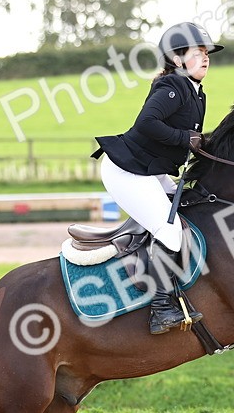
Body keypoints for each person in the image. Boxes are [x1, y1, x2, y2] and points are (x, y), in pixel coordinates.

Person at [92, 22, 223, 335]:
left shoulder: (196, 93)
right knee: (169, 231)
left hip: (150, 170)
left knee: (192, 207)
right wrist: (184, 138)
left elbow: (188, 138)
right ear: (177, 59)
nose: (205, 58)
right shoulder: (172, 88)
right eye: (197, 53)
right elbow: (147, 123)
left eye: (207, 53)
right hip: (127, 171)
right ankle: (161, 309)